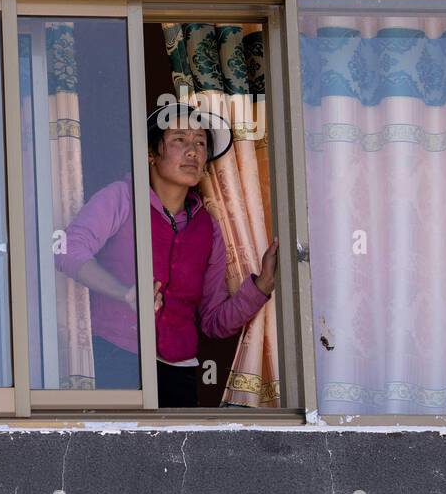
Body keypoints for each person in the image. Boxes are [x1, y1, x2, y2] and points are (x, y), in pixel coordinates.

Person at [53, 103, 279, 407]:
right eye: (179, 140)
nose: (193, 151)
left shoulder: (207, 227)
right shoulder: (122, 197)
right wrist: (125, 293)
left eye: (200, 142)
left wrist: (261, 286)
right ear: (150, 154)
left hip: (179, 372)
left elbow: (213, 321)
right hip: (117, 357)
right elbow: (68, 249)